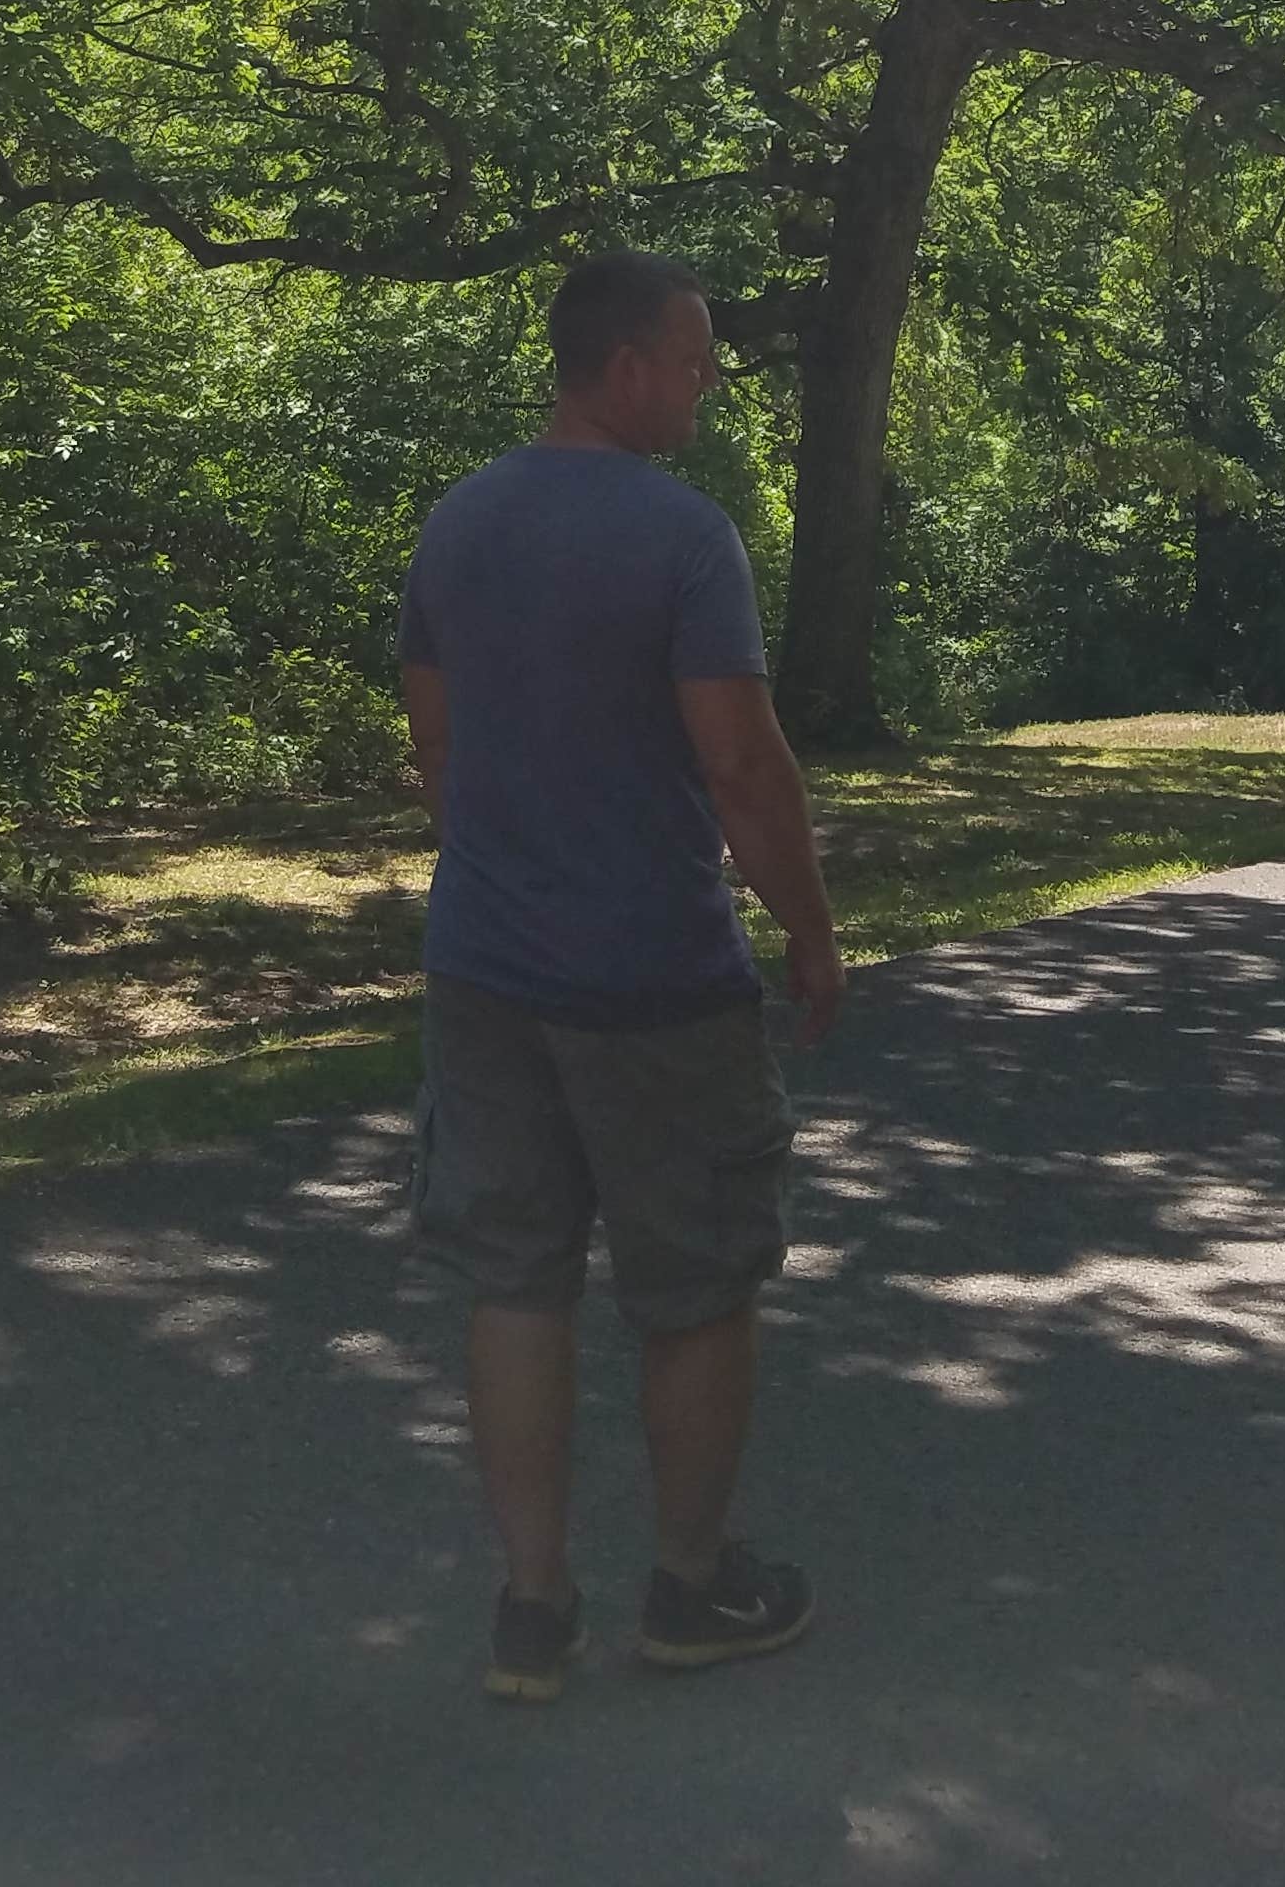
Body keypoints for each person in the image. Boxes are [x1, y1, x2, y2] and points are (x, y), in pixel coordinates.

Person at [397, 252, 845, 1699]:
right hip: (652, 975)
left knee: (517, 1281)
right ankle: (692, 1588)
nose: (710, 383)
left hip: (481, 969)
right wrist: (813, 930)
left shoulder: (458, 525)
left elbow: (439, 754)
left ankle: (532, 1610)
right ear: (625, 366)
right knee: (697, 1283)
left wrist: (514, 865)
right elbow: (740, 766)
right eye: (695, 358)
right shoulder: (681, 537)